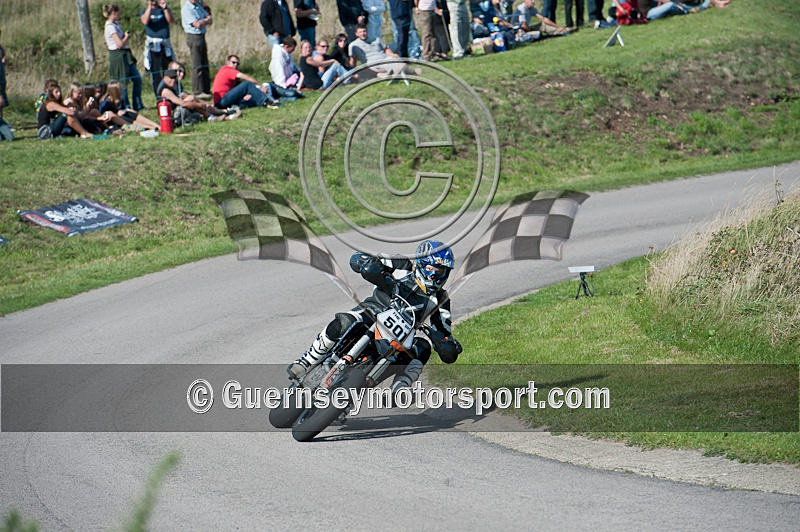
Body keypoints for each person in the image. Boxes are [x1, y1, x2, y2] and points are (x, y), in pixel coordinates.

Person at [288, 240, 462, 403]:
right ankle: (307, 361)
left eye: (441, 272)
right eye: (432, 269)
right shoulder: (401, 265)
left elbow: (444, 332)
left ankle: (400, 388)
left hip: (399, 338)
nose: (435, 276)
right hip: (372, 312)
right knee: (345, 321)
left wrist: (448, 346)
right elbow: (360, 258)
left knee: (423, 347)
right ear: (422, 264)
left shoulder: (441, 299)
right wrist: (366, 264)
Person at [103, 4, 144, 110]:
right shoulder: (110, 27)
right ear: (113, 13)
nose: (120, 14)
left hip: (126, 54)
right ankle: (125, 105)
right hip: (118, 55)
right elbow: (119, 44)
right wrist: (126, 37)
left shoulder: (116, 24)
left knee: (137, 79)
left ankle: (138, 104)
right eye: (118, 13)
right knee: (123, 83)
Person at [158, 68, 238, 122]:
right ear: (165, 78)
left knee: (192, 98)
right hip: (171, 117)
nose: (173, 80)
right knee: (191, 104)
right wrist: (199, 105)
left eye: (174, 78)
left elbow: (185, 96)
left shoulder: (172, 85)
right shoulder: (165, 90)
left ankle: (220, 112)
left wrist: (204, 104)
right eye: (171, 78)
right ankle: (215, 116)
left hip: (176, 110)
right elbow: (182, 103)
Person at [349, 23, 418, 76]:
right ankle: (411, 72)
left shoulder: (375, 39)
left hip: (385, 58)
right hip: (373, 64)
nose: (363, 34)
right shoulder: (354, 45)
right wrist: (353, 72)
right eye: (360, 32)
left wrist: (392, 54)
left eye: (364, 31)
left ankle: (387, 74)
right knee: (400, 66)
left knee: (397, 60)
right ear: (356, 34)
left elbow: (385, 49)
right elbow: (353, 60)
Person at [212, 55, 279, 108]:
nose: (235, 65)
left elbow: (238, 89)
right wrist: (261, 85)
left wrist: (246, 94)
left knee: (251, 101)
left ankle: (268, 101)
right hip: (222, 101)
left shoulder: (226, 73)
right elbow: (246, 78)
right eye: (233, 62)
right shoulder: (228, 70)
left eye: (237, 63)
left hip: (222, 102)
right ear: (227, 62)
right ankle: (267, 102)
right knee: (247, 84)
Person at [140, 0, 176, 97]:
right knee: (156, 72)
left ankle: (170, 92)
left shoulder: (163, 10)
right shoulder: (144, 11)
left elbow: (171, 21)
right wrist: (149, 7)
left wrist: (165, 8)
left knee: (168, 70)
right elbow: (145, 21)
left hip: (165, 44)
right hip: (153, 46)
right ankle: (158, 94)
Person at [181, 0, 213, 98]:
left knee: (204, 63)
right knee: (197, 64)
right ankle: (198, 91)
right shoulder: (187, 9)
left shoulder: (198, 6)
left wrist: (204, 21)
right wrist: (205, 20)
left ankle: (206, 89)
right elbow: (197, 25)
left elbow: (210, 19)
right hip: (193, 37)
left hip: (202, 36)